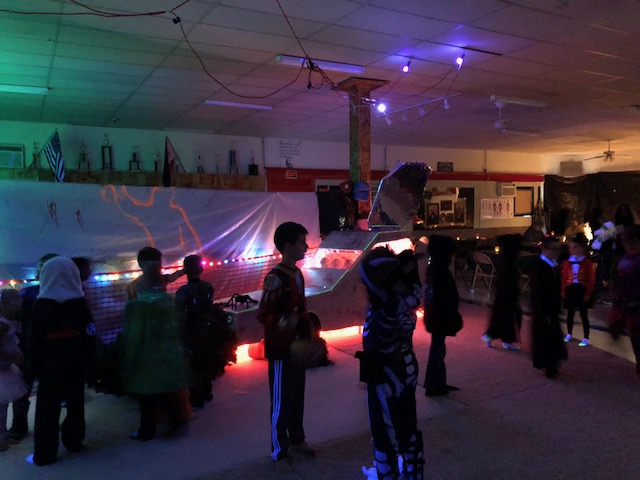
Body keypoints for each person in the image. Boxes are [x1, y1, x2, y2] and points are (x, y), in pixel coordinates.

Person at [359, 247, 424, 480]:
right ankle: (413, 473)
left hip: (386, 375)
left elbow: (375, 344)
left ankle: (388, 474)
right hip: (406, 368)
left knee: (384, 432)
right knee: (407, 425)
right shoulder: (407, 297)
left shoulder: (384, 305)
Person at [27, 257, 97, 466]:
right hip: (75, 359)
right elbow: (89, 332)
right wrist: (90, 360)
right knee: (75, 402)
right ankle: (74, 441)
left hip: (49, 363)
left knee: (47, 408)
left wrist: (33, 367)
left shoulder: (41, 303)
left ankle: (44, 454)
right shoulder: (79, 301)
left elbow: (34, 339)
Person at [256, 222, 316, 462]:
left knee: (297, 396)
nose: (306, 246)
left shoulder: (297, 273)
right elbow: (263, 314)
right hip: (282, 350)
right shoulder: (275, 278)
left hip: (297, 348)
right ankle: (279, 449)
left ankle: (297, 439)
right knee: (281, 400)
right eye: (302, 242)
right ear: (288, 246)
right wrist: (286, 322)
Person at [121, 286, 188, 441]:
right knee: (167, 393)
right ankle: (176, 422)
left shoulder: (137, 306)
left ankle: (147, 430)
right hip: (165, 357)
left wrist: (127, 360)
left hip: (146, 362)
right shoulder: (166, 301)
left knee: (146, 399)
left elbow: (134, 337)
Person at [11, 253, 59, 441]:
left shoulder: (64, 293)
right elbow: (15, 317)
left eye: (44, 268)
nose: (39, 272)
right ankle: (19, 426)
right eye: (39, 268)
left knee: (51, 391)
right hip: (28, 348)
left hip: (52, 351)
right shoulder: (28, 293)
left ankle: (48, 427)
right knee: (23, 390)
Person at [423, 235, 463, 397]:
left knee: (439, 348)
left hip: (436, 315)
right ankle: (432, 385)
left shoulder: (434, 268)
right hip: (439, 316)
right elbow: (444, 296)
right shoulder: (440, 271)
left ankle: (439, 382)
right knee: (437, 349)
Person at [175, 254, 215, 409]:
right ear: (201, 269)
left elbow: (180, 315)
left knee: (193, 365)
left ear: (185, 270)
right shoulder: (208, 287)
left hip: (190, 332)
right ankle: (207, 392)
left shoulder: (182, 292)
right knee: (205, 361)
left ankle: (196, 398)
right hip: (206, 329)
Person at [530, 237, 567, 379]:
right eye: (554, 249)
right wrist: (544, 313)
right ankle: (550, 366)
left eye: (558, 249)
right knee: (547, 339)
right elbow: (539, 293)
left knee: (552, 338)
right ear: (544, 250)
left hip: (551, 308)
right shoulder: (541, 267)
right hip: (544, 310)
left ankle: (552, 363)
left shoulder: (552, 265)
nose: (557, 252)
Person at [481, 234, 523, 351]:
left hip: (501, 292)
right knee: (510, 316)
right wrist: (515, 295)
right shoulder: (511, 261)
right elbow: (512, 280)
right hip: (508, 293)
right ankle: (507, 340)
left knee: (499, 316)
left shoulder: (503, 258)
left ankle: (492, 336)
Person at [608, 225, 640, 375]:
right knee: (636, 339)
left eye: (629, 242)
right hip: (631, 306)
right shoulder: (625, 260)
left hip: (634, 305)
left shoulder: (627, 260)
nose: (627, 245)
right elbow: (619, 284)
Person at [0, 290, 28, 452]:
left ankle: (3, 436)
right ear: (6, 304)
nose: (21, 302)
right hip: (2, 369)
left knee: (3, 407)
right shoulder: (3, 325)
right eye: (17, 300)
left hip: (6, 368)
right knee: (0, 407)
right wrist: (12, 357)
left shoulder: (11, 322)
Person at [560, 233, 596, 346]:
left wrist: (588, 293)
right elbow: (564, 277)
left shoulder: (587, 263)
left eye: (575, 247)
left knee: (583, 314)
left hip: (582, 289)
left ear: (582, 248)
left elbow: (591, 279)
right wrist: (563, 290)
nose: (572, 250)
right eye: (571, 248)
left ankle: (586, 337)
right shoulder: (567, 262)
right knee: (570, 313)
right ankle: (569, 333)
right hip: (571, 289)